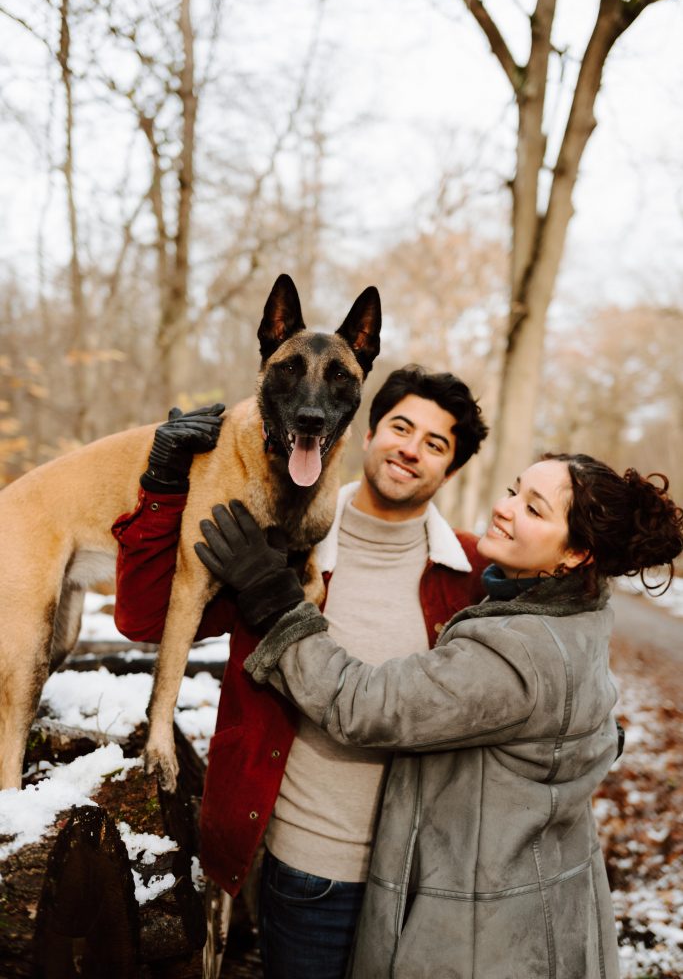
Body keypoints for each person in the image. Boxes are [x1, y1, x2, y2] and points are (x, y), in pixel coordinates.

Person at [193, 453, 683, 979]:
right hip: (539, 905)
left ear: (576, 554)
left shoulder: (515, 654)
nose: (505, 508)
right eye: (515, 490)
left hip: (482, 935)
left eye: (534, 510)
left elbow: (365, 704)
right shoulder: (579, 616)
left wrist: (274, 599)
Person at [112, 365, 490, 979]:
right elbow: (144, 616)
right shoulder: (275, 534)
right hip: (305, 868)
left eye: (436, 443)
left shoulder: (472, 573)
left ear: (450, 468)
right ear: (364, 433)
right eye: (400, 426)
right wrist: (161, 486)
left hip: (424, 879)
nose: (410, 449)